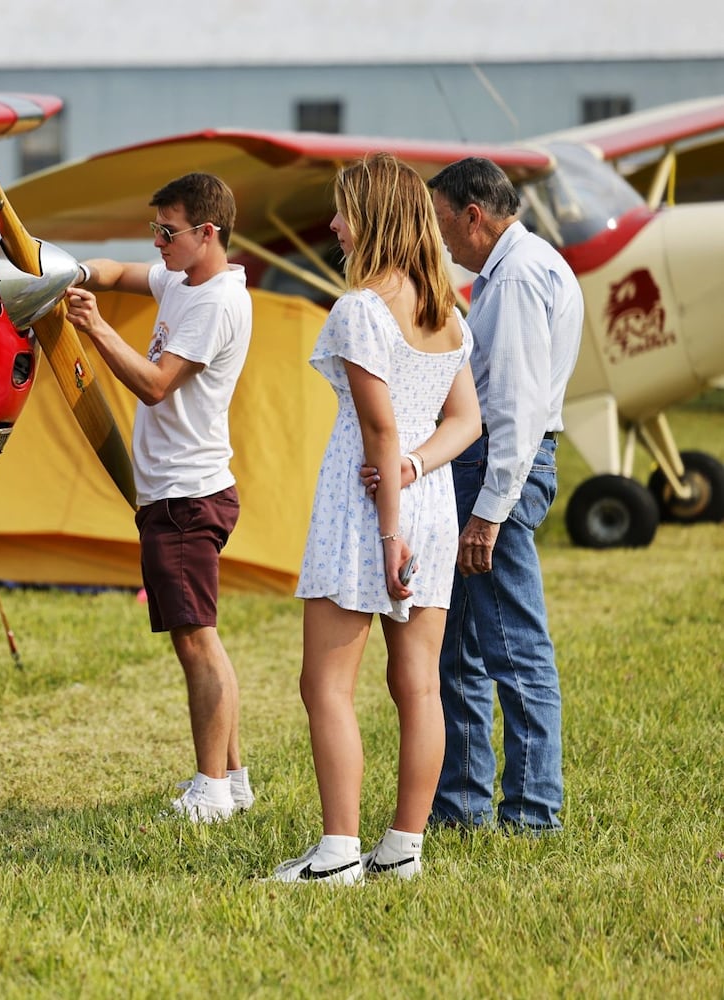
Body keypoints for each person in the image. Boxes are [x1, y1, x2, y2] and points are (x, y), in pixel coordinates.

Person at [270, 153, 481, 884]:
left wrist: (389, 524)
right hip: (428, 504)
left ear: (372, 219)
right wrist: (417, 472)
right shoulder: (444, 311)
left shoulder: (360, 309)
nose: (332, 223)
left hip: (365, 514)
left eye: (342, 210)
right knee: (417, 682)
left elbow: (378, 432)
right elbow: (465, 421)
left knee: (324, 685)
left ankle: (335, 856)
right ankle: (402, 849)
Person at [65, 172, 253, 823]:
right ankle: (231, 777)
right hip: (182, 493)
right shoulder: (183, 279)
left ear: (207, 233)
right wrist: (77, 270)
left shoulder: (214, 303)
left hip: (184, 498)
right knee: (201, 639)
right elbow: (118, 273)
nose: (157, 242)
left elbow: (155, 384)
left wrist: (96, 331)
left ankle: (210, 789)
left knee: (196, 643)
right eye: (155, 230)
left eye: (167, 232)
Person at [425, 157, 583, 833]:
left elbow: (514, 408)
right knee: (455, 647)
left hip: (498, 467)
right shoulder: (514, 270)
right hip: (490, 464)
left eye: (441, 225)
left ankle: (530, 813)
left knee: (511, 648)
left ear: (472, 215)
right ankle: (462, 806)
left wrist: (487, 515)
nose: (439, 243)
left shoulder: (516, 276)